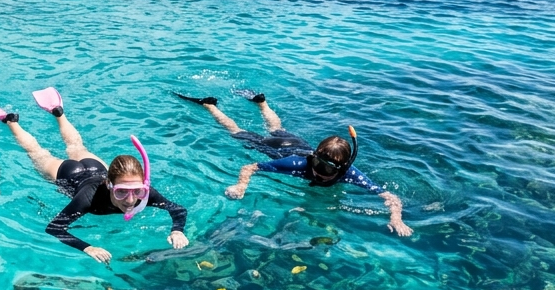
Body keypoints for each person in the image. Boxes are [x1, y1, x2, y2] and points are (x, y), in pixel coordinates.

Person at [0, 87, 189, 263]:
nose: (131, 199)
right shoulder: (88, 198)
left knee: (76, 146)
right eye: (122, 192)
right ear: (109, 185)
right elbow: (55, 228)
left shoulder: (144, 192)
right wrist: (87, 247)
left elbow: (178, 209)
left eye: (137, 191)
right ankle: (10, 120)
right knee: (37, 153)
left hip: (96, 167)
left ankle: (58, 112)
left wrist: (177, 230)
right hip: (69, 174)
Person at [176, 89, 412, 236]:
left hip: (296, 142)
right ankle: (210, 105)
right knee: (238, 132)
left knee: (277, 128)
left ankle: (262, 103)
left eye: (326, 168)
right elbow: (250, 167)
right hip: (278, 149)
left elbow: (389, 196)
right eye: (317, 164)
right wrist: (241, 185)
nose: (318, 172)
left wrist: (396, 218)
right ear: (314, 156)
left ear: (343, 168)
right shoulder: (297, 164)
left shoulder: (350, 173)